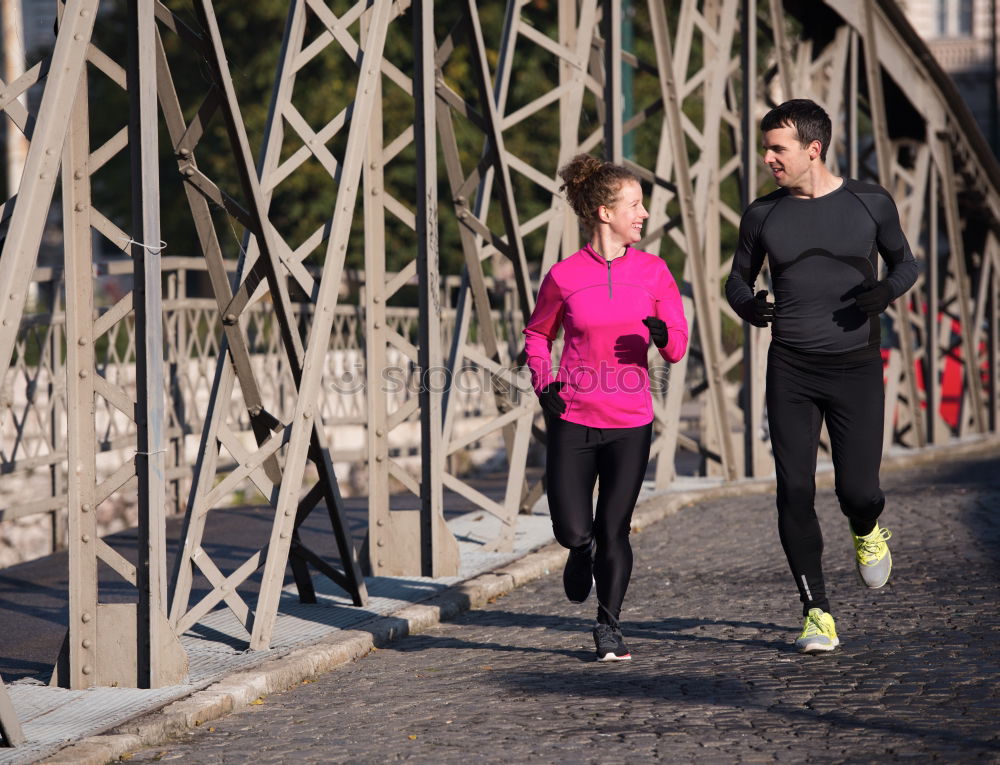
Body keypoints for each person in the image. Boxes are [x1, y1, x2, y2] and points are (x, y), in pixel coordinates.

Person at [725, 99, 918, 653]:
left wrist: (887, 291)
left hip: (856, 365)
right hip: (791, 366)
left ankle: (866, 528)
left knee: (859, 490)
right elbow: (736, 280)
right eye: (766, 148)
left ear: (814, 148)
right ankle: (816, 612)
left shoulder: (869, 201)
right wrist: (747, 304)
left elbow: (907, 262)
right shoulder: (762, 215)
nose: (767, 159)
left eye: (777, 148)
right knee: (793, 491)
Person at [523, 154, 688, 661]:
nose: (643, 214)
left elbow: (678, 345)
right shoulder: (565, 276)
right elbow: (537, 332)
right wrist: (543, 381)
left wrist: (663, 337)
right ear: (603, 212)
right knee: (575, 529)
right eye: (634, 205)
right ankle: (579, 550)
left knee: (615, 527)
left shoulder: (655, 273)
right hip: (573, 416)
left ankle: (609, 626)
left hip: (630, 422)